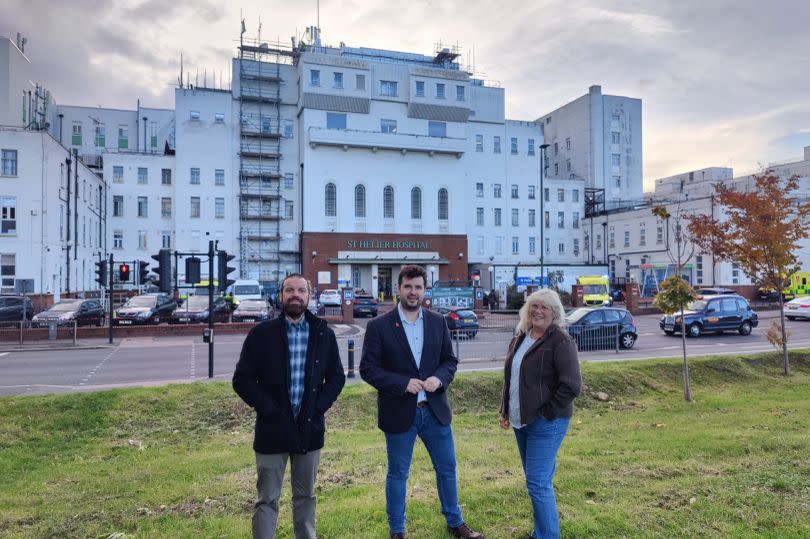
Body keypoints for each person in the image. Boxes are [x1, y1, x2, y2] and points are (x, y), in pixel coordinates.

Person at [360, 265, 485, 539]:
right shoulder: (379, 326)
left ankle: (455, 522)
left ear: (424, 291)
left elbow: (449, 362)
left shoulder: (437, 322)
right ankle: (398, 531)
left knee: (447, 468)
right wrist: (402, 383)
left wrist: (439, 379)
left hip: (434, 411)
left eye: (418, 287)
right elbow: (368, 369)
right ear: (398, 289)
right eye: (408, 286)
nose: (413, 292)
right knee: (397, 475)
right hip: (399, 412)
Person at [233, 273, 346, 539]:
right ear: (281, 296)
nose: (295, 295)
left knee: (305, 496)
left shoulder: (323, 334)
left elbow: (337, 377)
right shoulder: (262, 334)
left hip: (309, 428)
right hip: (272, 429)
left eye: (301, 291)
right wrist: (269, 409)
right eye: (289, 290)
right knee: (267, 499)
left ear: (309, 296)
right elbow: (242, 379)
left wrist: (319, 407)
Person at [498, 289, 582, 539]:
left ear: (554, 312)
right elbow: (511, 376)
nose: (537, 311)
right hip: (521, 421)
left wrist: (547, 413)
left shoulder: (560, 341)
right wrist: (505, 409)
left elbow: (572, 385)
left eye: (544, 307)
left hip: (547, 423)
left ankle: (547, 535)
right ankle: (541, 532)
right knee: (537, 482)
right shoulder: (521, 336)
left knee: (537, 483)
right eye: (533, 306)